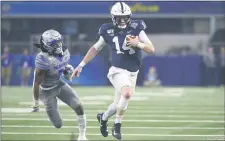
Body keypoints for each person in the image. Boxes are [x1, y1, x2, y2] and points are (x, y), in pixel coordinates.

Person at [71, 2, 155, 140]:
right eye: (119, 17)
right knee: (127, 94)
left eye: (125, 17)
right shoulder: (107, 30)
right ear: (113, 17)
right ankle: (117, 125)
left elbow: (151, 49)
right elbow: (95, 48)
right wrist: (81, 65)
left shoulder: (137, 27)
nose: (122, 21)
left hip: (133, 72)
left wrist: (138, 43)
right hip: (116, 70)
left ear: (129, 17)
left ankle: (103, 118)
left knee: (118, 104)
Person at [32, 29, 87, 141]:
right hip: (46, 91)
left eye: (59, 41)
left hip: (59, 84)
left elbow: (64, 71)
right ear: (47, 45)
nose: (59, 45)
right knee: (58, 124)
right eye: (55, 43)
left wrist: (67, 71)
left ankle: (82, 136)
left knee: (79, 106)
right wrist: (36, 103)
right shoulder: (42, 59)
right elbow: (37, 83)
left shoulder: (65, 52)